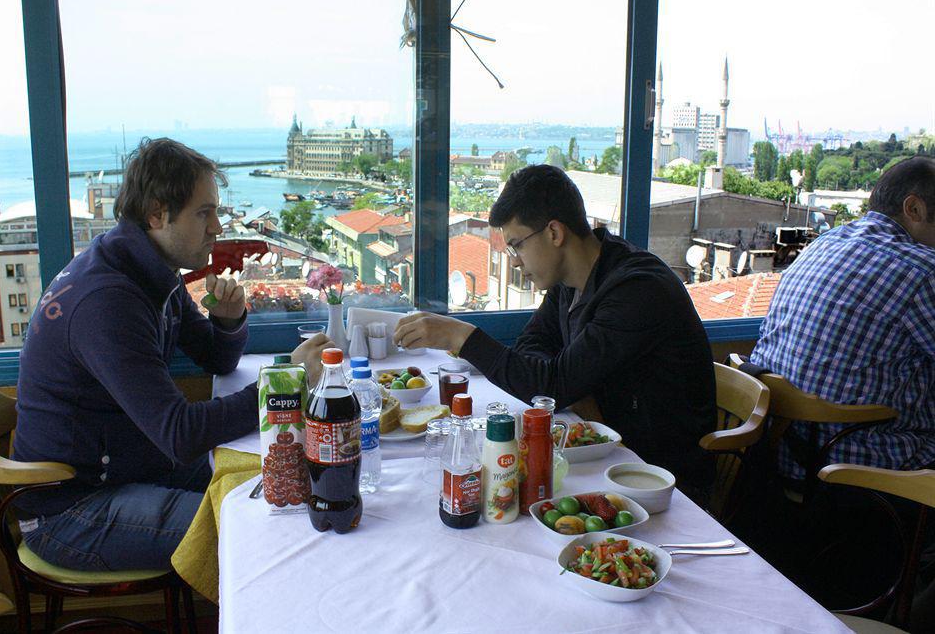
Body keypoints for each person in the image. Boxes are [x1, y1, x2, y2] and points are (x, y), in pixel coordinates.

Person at [12, 138, 332, 572]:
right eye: (204, 212)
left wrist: (229, 320)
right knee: (263, 526)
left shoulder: (148, 269)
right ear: (157, 214)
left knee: (285, 481)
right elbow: (180, 435)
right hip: (71, 509)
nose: (217, 227)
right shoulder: (108, 302)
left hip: (131, 468)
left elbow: (216, 360)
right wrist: (286, 382)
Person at [394, 164, 716, 497]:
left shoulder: (636, 291)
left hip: (659, 478)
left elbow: (550, 384)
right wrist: (567, 382)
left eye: (517, 245)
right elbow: (532, 346)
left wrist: (460, 337)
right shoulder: (570, 281)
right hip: (603, 454)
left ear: (554, 233)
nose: (515, 261)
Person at [745, 156, 935, 622]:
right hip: (860, 474)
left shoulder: (824, 243)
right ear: (913, 208)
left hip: (787, 458)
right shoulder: (923, 271)